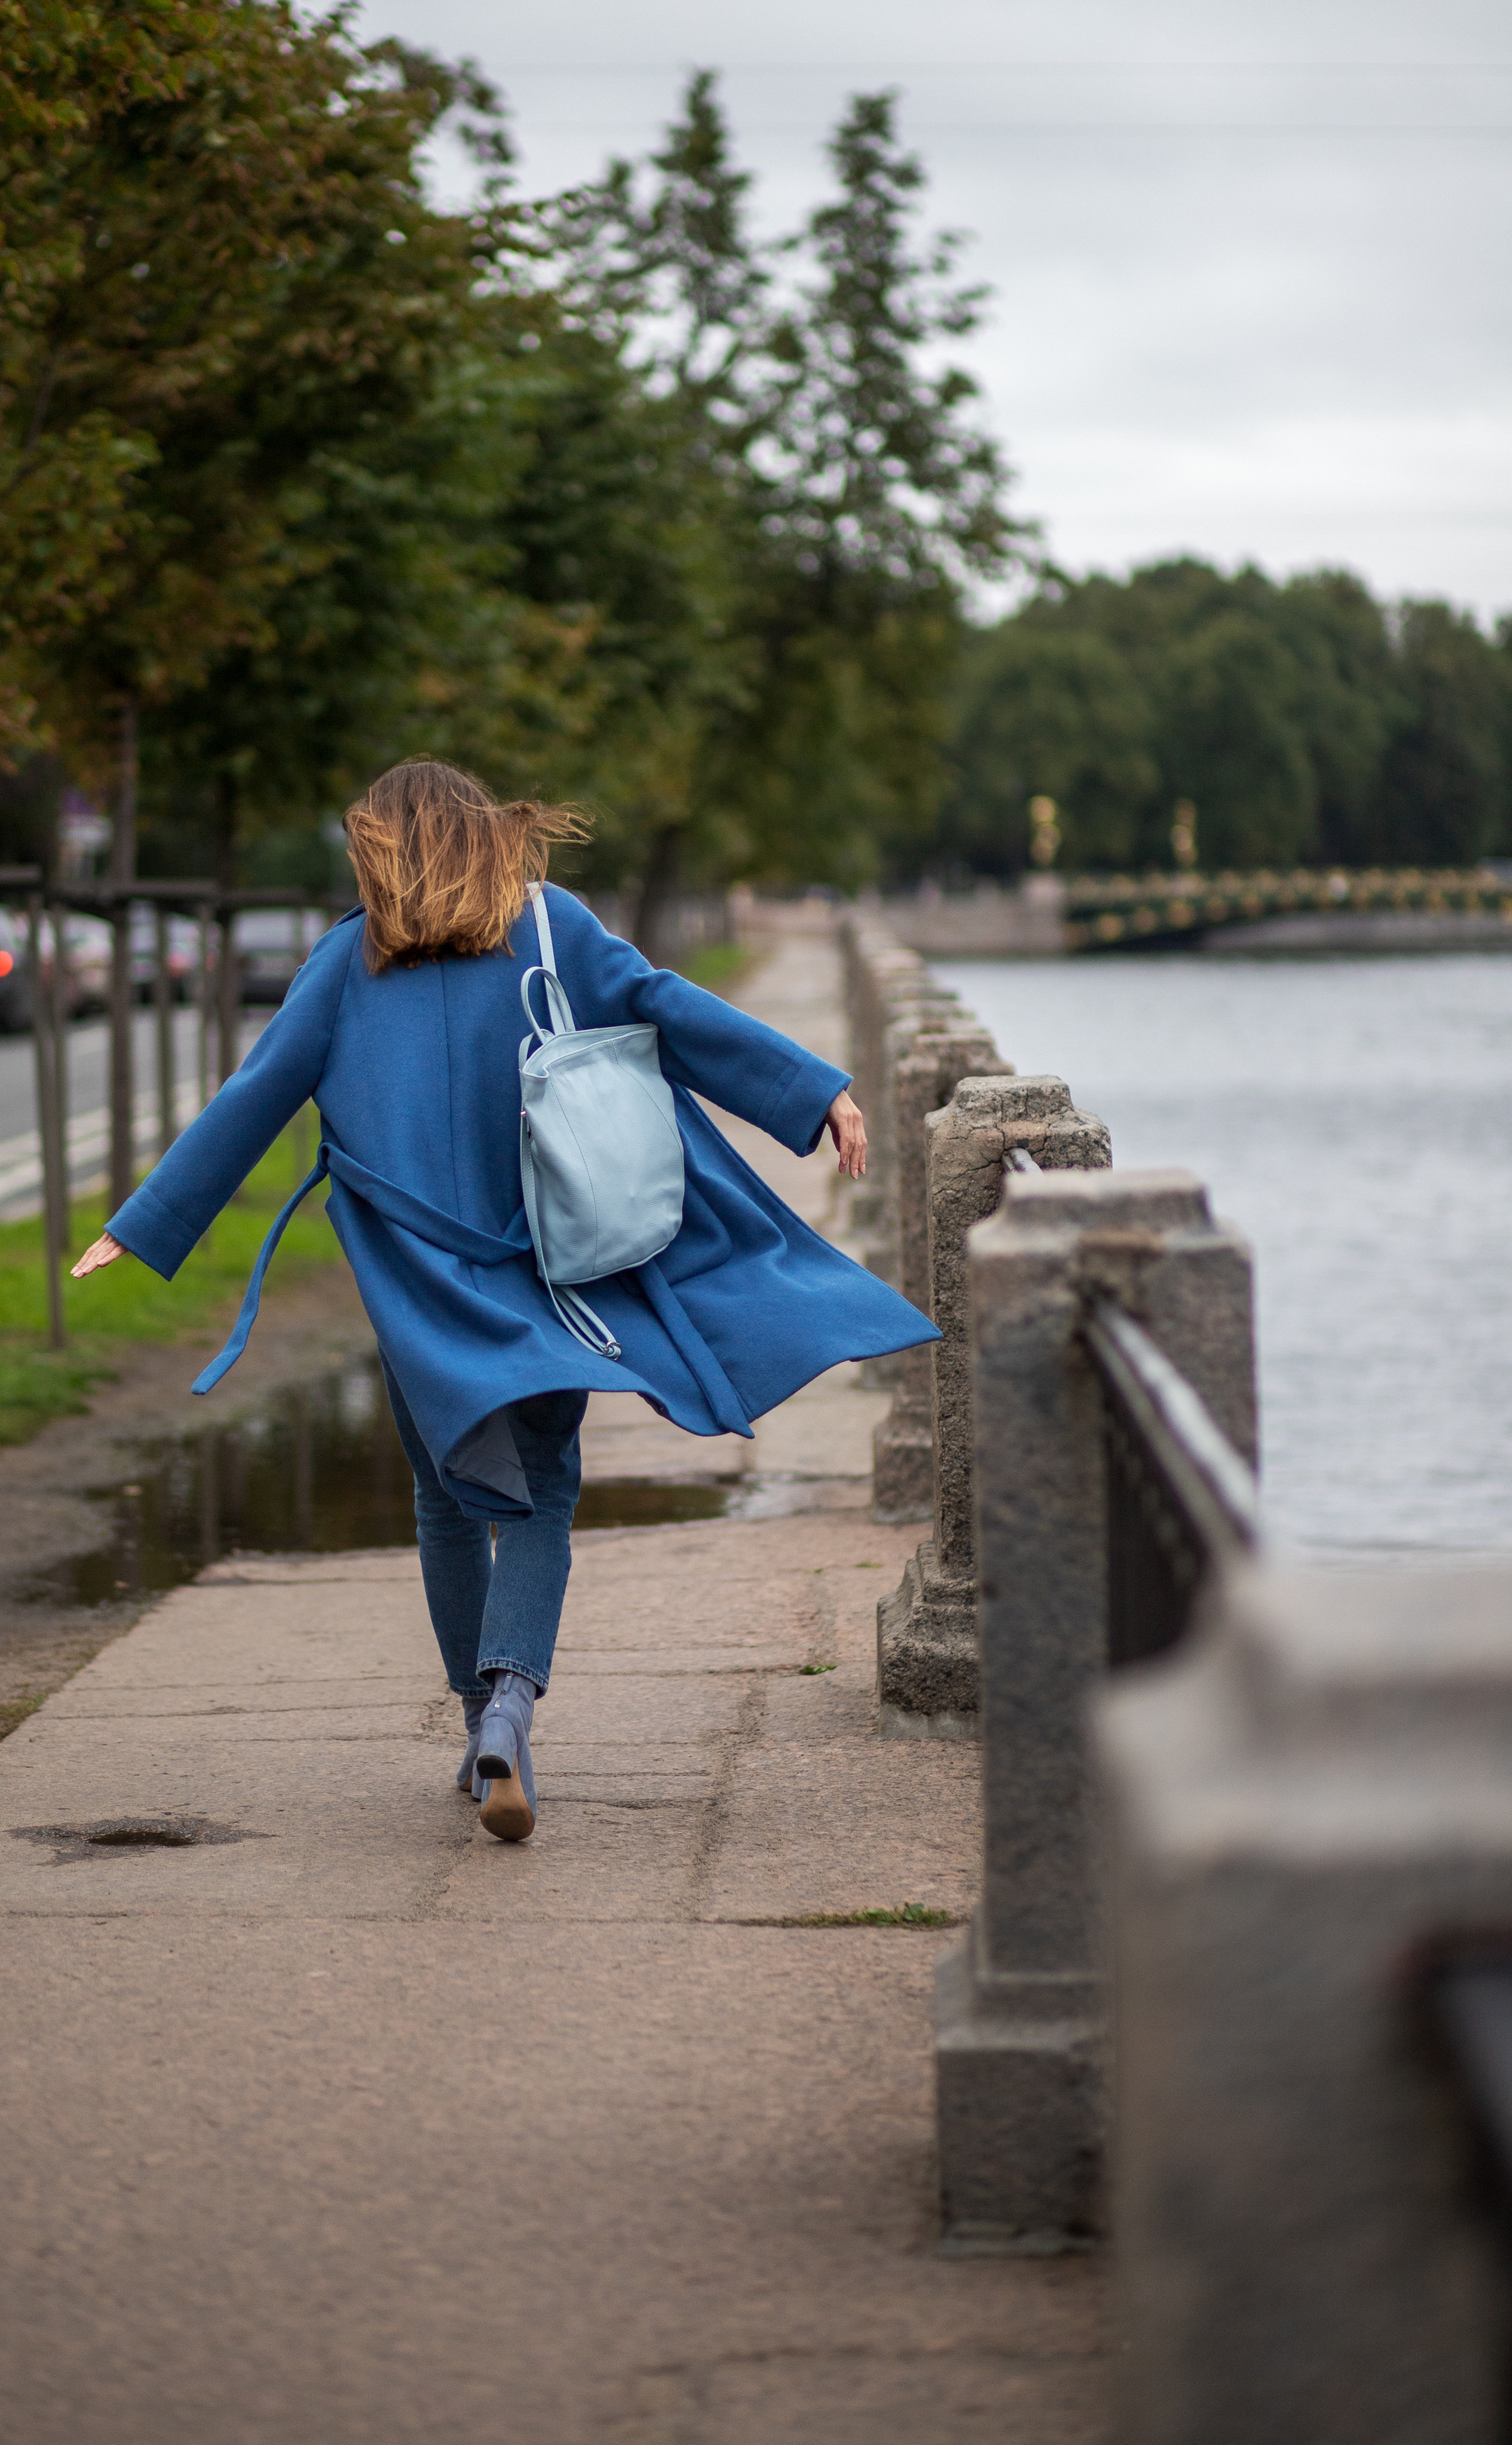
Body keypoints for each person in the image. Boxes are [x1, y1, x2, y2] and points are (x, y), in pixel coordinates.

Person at [71, 759, 937, 1842]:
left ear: (384, 849)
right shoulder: (552, 925)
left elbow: (257, 1095)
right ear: (485, 837)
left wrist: (142, 1224)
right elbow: (668, 1007)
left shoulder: (345, 961)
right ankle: (514, 1708)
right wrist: (813, 1092)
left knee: (445, 1498)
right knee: (541, 1490)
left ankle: (480, 1723)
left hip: (420, 1286)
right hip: (552, 1270)